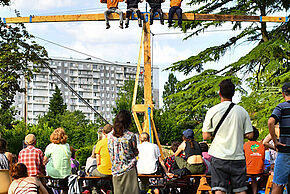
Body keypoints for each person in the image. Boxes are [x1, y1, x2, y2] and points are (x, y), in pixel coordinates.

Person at [202, 79, 253, 194]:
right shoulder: (242, 111)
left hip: (219, 156)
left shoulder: (212, 111)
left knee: (219, 189)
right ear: (234, 94)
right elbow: (250, 134)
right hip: (237, 156)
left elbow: (205, 136)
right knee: (240, 190)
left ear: (219, 93)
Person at [107, 110, 140, 194]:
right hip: (129, 170)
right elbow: (135, 151)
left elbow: (109, 151)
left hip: (115, 171)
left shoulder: (109, 136)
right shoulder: (131, 136)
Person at [268, 82, 290, 194]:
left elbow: (271, 122)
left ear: (283, 94)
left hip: (285, 151)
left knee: (278, 185)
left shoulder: (281, 107)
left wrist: (275, 141)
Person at [243, 127, 265, 194]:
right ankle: (254, 192)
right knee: (253, 178)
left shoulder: (244, 145)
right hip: (259, 171)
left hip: (248, 171)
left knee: (242, 176)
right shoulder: (261, 146)